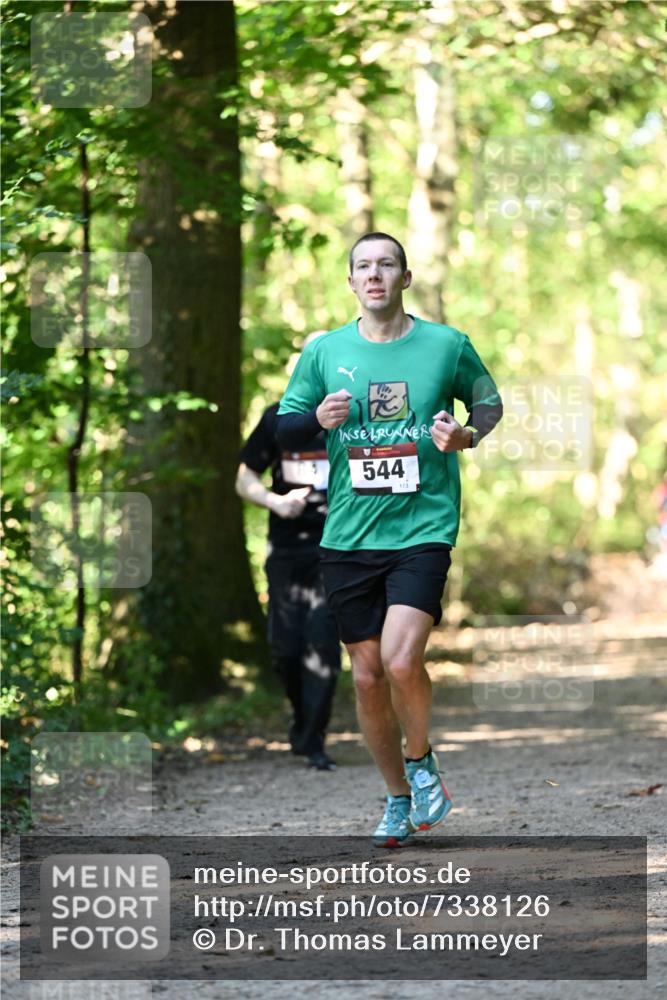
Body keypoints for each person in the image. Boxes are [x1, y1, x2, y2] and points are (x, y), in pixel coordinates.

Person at [275, 232, 503, 844]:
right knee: (368, 675)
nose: (375, 274)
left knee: (403, 661)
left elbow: (488, 400)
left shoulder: (445, 344)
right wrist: (316, 419)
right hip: (349, 535)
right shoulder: (325, 351)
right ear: (351, 281)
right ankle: (397, 797)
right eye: (363, 266)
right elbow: (285, 422)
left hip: (423, 527)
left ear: (405, 277)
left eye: (387, 265)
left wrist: (467, 435)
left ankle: (422, 762)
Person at [236, 352, 341, 772]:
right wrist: (276, 502)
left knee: (322, 645)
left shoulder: (354, 418)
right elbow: (245, 477)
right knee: (284, 648)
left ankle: (314, 741)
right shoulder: (277, 418)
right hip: (285, 548)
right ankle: (301, 722)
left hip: (336, 548)